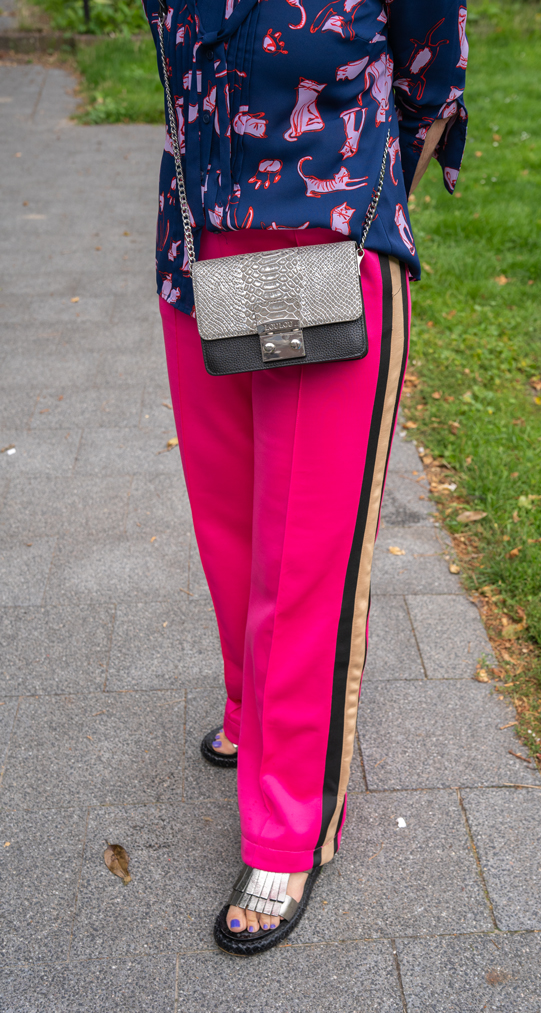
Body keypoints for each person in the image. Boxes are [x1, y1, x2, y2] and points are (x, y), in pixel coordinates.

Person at [144, 0, 467, 956]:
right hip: (197, 245)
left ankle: (288, 829)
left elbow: (429, 79)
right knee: (228, 521)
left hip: (328, 253)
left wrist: (367, 197)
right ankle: (251, 711)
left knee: (305, 555)